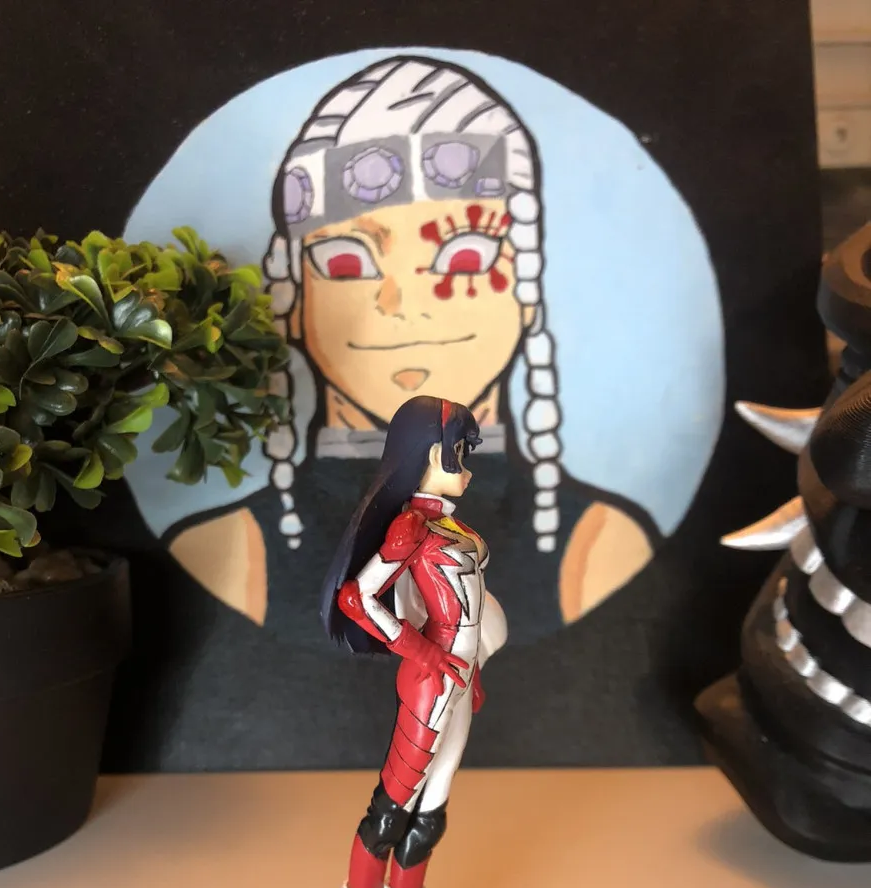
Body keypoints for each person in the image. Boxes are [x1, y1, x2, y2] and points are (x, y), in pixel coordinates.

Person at [168, 54, 659, 640]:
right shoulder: (234, 551)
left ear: (526, 289)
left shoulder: (598, 542)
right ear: (294, 297)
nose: (399, 303)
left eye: (466, 256)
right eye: (345, 262)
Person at [321, 395, 505, 888]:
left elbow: (470, 611)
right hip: (430, 686)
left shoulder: (457, 530)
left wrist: (469, 669)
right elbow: (356, 598)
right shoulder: (411, 530)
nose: (467, 468)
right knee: (386, 818)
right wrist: (422, 653)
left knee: (428, 821)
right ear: (429, 454)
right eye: (459, 455)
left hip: (460, 682)